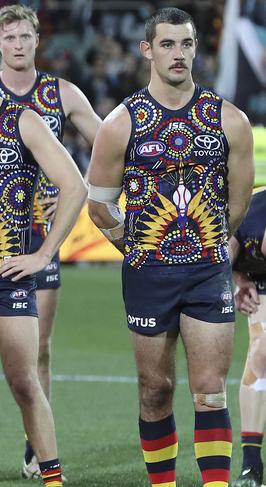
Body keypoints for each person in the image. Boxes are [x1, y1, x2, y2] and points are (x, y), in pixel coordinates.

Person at [87, 8, 254, 487]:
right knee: (154, 391)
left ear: (196, 48)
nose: (177, 55)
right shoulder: (122, 122)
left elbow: (237, 201)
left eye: (185, 44)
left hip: (206, 272)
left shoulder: (229, 120)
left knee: (210, 391)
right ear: (147, 50)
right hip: (147, 274)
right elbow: (100, 205)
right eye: (167, 45)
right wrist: (139, 248)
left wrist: (208, 244)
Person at [0, 6, 102, 481]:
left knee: (35, 354)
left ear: (37, 41)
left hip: (33, 240)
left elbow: (109, 145)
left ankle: (37, 454)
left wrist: (85, 190)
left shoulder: (58, 95)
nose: (17, 43)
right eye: (8, 36)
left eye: (25, 36)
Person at [229, 189, 266, 487]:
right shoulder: (248, 211)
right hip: (262, 284)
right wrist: (238, 283)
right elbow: (220, 263)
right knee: (260, 355)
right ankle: (251, 467)